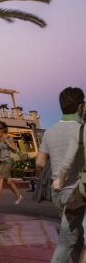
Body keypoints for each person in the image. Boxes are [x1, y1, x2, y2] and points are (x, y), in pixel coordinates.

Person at [40, 87, 85, 262]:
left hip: (56, 193)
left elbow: (40, 161)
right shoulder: (81, 129)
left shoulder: (50, 131)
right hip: (76, 195)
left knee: (76, 237)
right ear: (80, 107)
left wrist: (57, 173)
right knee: (67, 241)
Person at [0, 121, 23, 205]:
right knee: (9, 181)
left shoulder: (9, 138)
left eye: (0, 128)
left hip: (7, 160)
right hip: (1, 161)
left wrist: (7, 142)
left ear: (4, 129)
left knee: (0, 179)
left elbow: (15, 149)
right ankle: (18, 195)